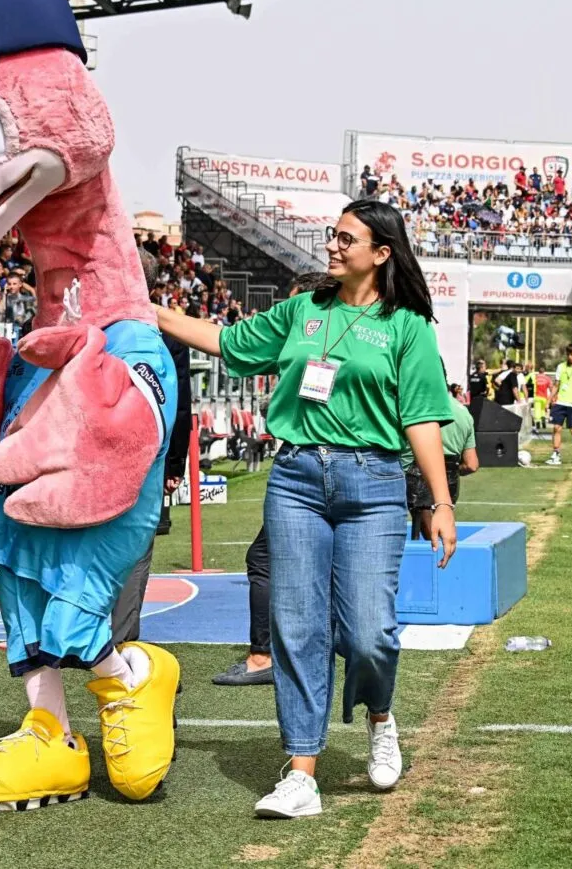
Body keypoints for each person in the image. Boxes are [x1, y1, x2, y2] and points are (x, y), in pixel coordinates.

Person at [157, 200, 457, 818]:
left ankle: (378, 715)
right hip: (294, 479)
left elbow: (423, 416)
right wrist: (152, 311)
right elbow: (226, 341)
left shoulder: (408, 328)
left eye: (347, 238)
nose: (333, 245)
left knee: (370, 632)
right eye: (333, 234)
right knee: (297, 627)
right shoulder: (302, 310)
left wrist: (441, 500)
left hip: (373, 484)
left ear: (381, 253)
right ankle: (300, 771)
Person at [212, 271, 335, 689]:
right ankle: (327, 646)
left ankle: (262, 655)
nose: (285, 316)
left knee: (263, 560)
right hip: (344, 468)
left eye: (293, 306)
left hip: (309, 468)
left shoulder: (314, 347)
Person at [108, 249, 194, 646]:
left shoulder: (88, 317)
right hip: (145, 457)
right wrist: (174, 465)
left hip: (92, 451)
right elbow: (179, 405)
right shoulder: (166, 331)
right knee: (135, 548)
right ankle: (121, 641)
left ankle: (69, 634)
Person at [407, 383, 478, 540]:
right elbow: (472, 464)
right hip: (451, 476)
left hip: (418, 470)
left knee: (426, 529)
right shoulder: (463, 412)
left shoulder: (420, 406)